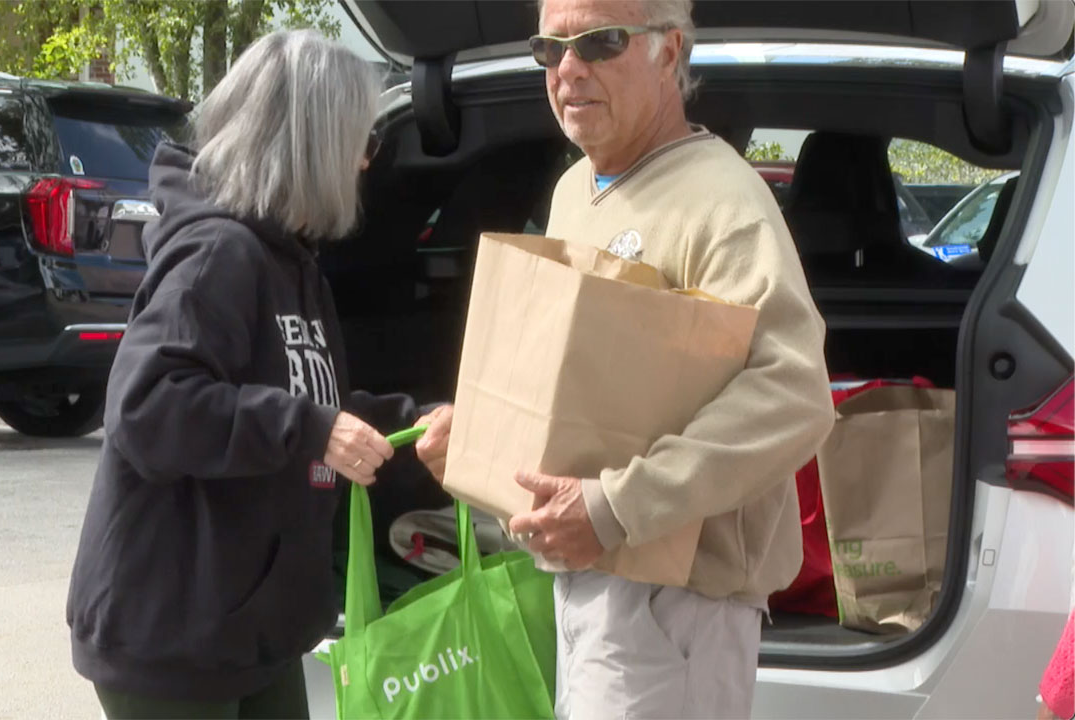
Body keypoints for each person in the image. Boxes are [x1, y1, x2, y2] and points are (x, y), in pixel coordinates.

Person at [417, 0, 835, 717]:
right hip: (585, 578)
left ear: (670, 53)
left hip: (676, 606)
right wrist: (482, 435)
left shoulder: (722, 200)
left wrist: (616, 506)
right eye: (551, 49)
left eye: (600, 42)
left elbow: (795, 392)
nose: (569, 69)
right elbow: (581, 386)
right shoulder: (576, 189)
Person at [66, 30, 419, 720]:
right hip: (174, 637)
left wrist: (413, 423)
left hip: (251, 631)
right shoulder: (218, 252)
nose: (363, 159)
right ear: (309, 143)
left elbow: (310, 403)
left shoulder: (291, 261)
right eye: (359, 139)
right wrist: (313, 430)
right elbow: (148, 405)